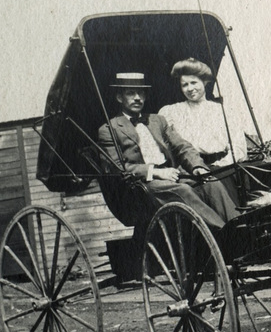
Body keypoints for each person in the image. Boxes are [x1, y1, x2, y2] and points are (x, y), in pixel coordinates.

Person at [97, 72, 239, 232]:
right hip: (143, 185)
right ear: (119, 97)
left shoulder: (157, 120)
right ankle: (224, 231)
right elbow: (117, 168)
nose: (137, 98)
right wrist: (156, 172)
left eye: (141, 93)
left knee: (211, 183)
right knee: (183, 190)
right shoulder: (109, 129)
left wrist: (197, 166)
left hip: (174, 175)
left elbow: (182, 146)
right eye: (131, 93)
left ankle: (240, 227)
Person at [158, 58, 244, 167]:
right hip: (188, 169)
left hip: (222, 167)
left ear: (204, 82)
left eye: (194, 82)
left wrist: (221, 165)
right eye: (185, 85)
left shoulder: (223, 111)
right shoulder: (171, 111)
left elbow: (238, 147)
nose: (190, 88)